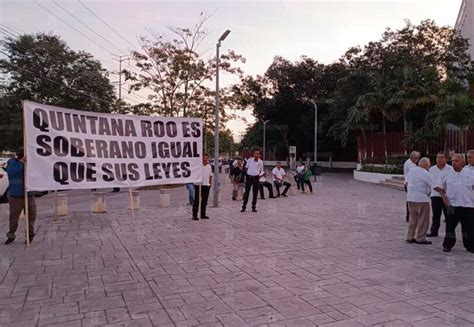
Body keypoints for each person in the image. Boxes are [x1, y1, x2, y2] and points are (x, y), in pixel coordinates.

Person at [406, 157, 444, 245]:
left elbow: (406, 183)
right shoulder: (425, 173)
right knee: (423, 220)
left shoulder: (412, 171)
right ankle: (421, 238)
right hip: (421, 199)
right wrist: (443, 192)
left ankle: (410, 237)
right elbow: (435, 186)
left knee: (413, 219)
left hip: (410, 198)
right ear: (426, 165)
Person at [440, 154, 474, 253]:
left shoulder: (471, 173)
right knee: (450, 226)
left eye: (456, 161)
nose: (454, 162)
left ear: (463, 163)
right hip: (452, 205)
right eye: (453, 161)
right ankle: (448, 245)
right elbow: (440, 188)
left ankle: (470, 245)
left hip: (468, 205)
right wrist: (444, 198)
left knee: (468, 227)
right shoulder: (447, 173)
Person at [5, 148, 37, 245]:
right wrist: (22, 162)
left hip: (29, 194)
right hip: (16, 195)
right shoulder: (12, 163)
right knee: (14, 217)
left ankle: (30, 235)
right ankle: (11, 235)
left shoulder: (31, 163)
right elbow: (12, 172)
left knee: (31, 215)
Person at [427, 152, 453, 237]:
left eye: (442, 157)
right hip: (435, 195)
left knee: (449, 216)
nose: (439, 159)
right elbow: (430, 182)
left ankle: (449, 234)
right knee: (436, 215)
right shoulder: (432, 169)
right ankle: (434, 231)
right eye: (438, 157)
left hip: (448, 196)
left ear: (446, 159)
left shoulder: (451, 169)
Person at [192, 154, 213, 220]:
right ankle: (194, 215)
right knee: (197, 200)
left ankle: (203, 214)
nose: (205, 159)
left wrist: (209, 183)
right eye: (204, 158)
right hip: (198, 185)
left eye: (206, 158)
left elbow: (210, 175)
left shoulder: (209, 166)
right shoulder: (198, 166)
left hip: (206, 185)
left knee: (204, 200)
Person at [404, 151, 421, 222]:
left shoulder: (411, 163)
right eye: (416, 158)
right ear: (413, 157)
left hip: (410, 184)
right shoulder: (410, 164)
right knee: (411, 201)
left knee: (411, 200)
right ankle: (410, 216)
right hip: (410, 185)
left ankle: (410, 216)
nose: (417, 159)